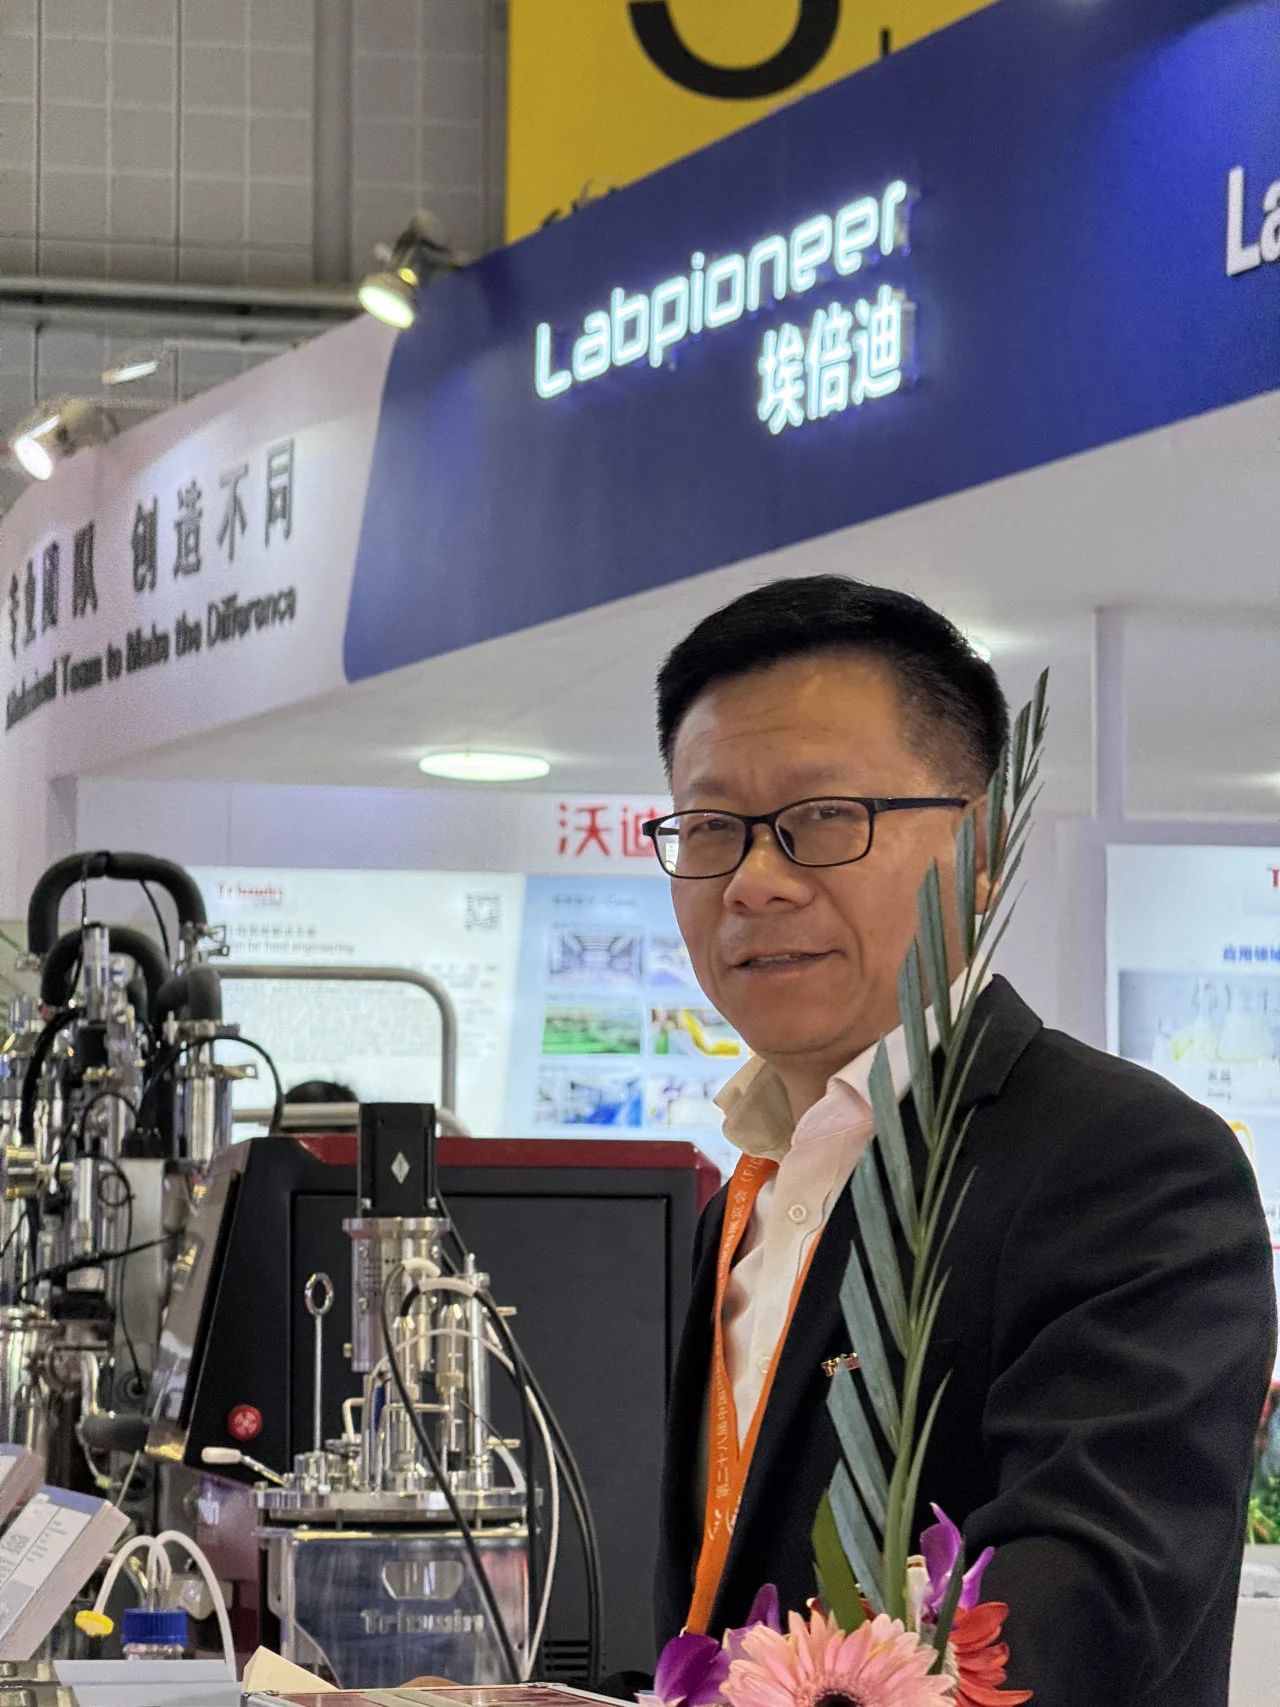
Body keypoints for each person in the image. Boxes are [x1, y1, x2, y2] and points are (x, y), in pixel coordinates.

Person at [648, 576, 1275, 1706]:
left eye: (822, 818)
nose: (753, 881)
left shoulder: (1126, 1160)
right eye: (709, 828)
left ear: (978, 850)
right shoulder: (744, 1199)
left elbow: (1088, 1596)